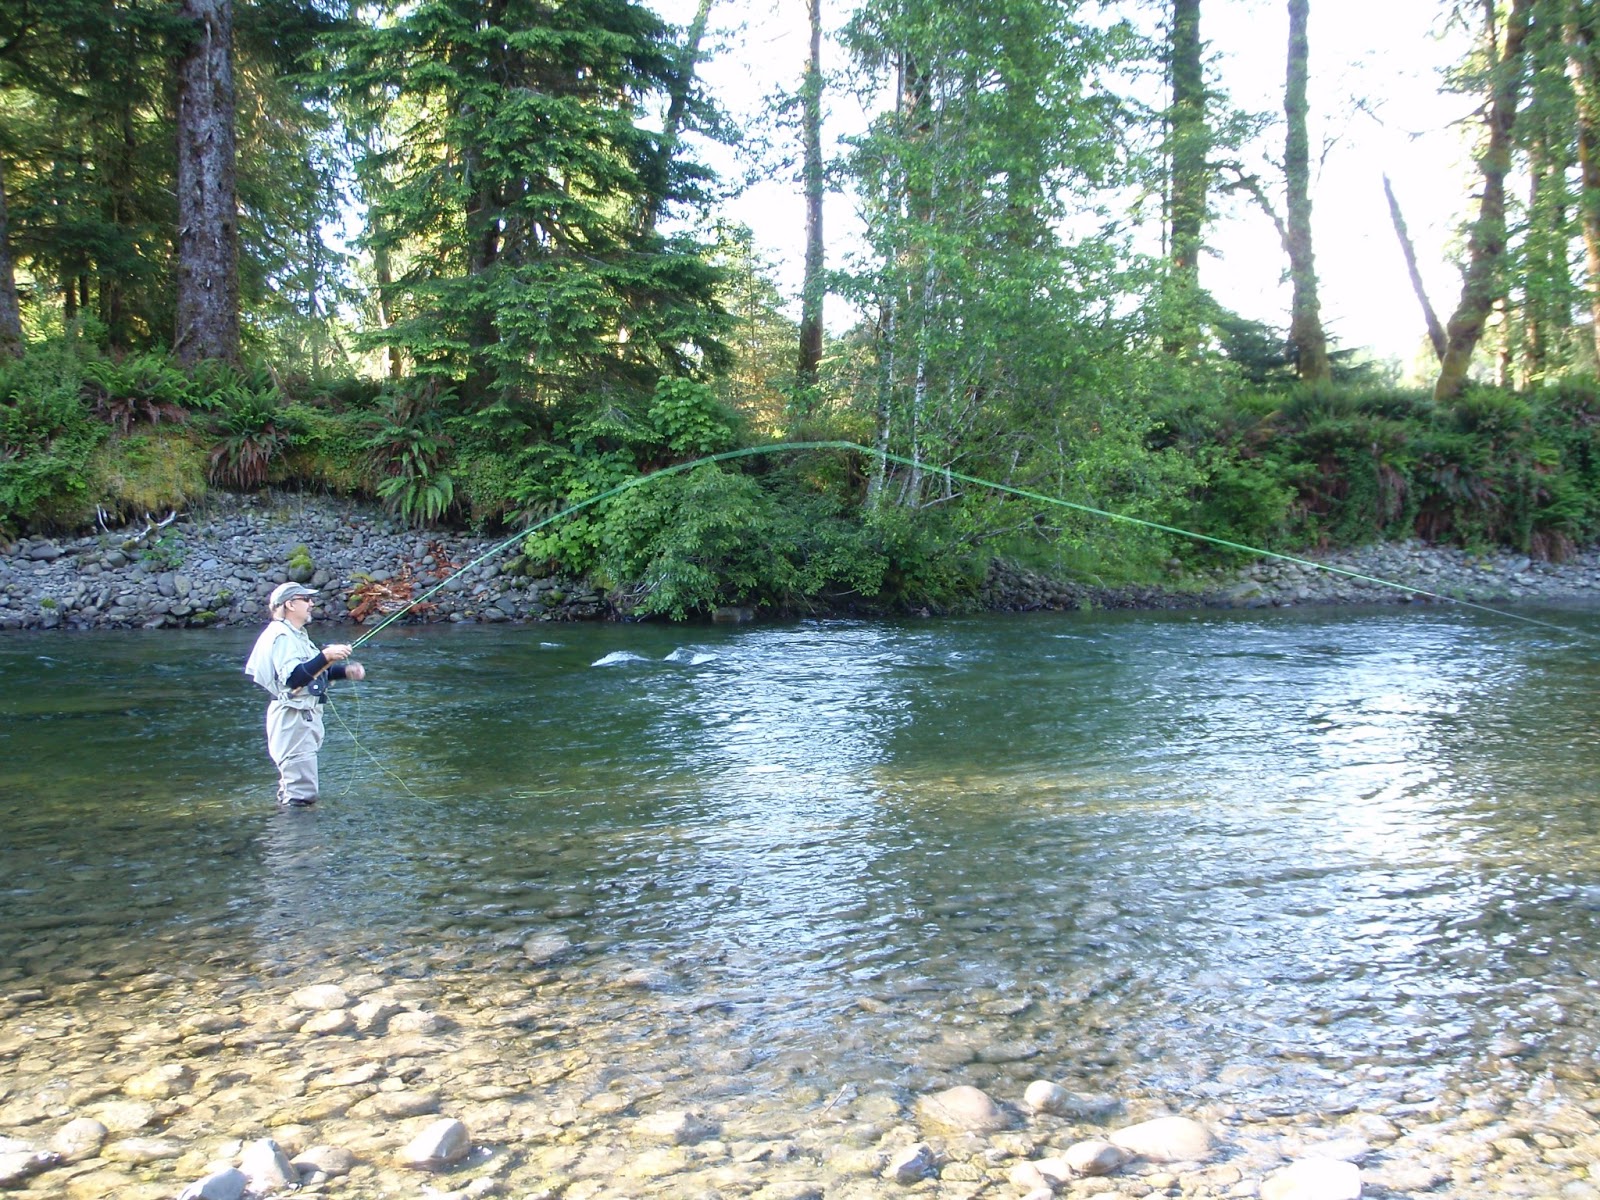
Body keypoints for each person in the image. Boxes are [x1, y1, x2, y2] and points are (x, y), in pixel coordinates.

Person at [243, 582, 366, 807]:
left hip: (302, 717)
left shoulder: (296, 635)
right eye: (306, 599)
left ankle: (292, 835)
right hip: (292, 718)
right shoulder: (281, 636)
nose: (311, 604)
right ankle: (297, 839)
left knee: (297, 786)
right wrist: (326, 655)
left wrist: (344, 672)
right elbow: (294, 680)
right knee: (301, 794)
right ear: (290, 604)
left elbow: (312, 674)